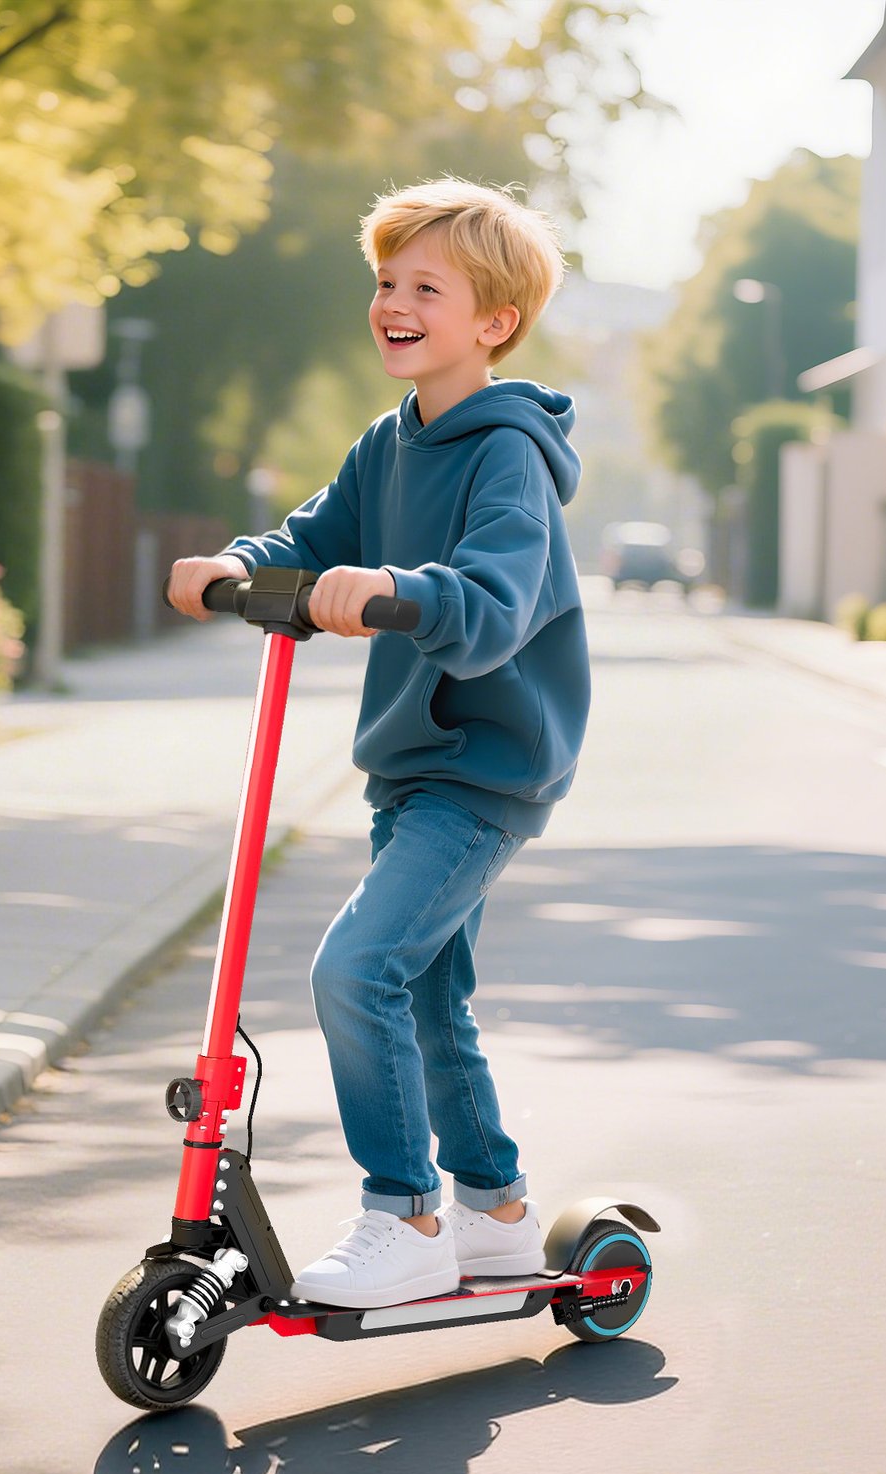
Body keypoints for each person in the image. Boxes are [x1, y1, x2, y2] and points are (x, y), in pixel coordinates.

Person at [165, 176, 590, 1310]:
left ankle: (401, 1213)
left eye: (424, 287)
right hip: (413, 768)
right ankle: (494, 1212)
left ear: (493, 322)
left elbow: (495, 597)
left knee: (357, 970)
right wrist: (234, 564)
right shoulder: (387, 442)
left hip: (485, 769)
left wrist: (396, 588)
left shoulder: (509, 459)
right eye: (385, 282)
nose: (393, 303)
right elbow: (309, 537)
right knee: (426, 992)